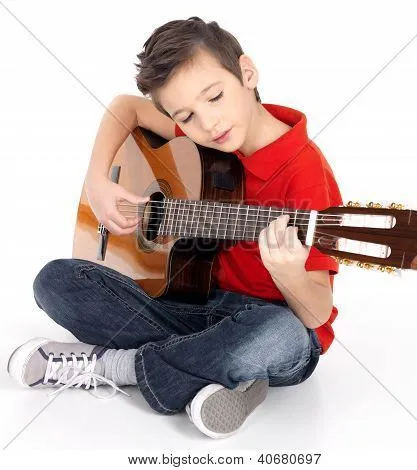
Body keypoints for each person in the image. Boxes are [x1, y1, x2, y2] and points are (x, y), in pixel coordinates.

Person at [7, 16, 343, 439]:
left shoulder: (307, 174)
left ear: (247, 74)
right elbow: (126, 107)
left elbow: (314, 315)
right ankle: (225, 376)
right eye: (186, 115)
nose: (207, 125)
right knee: (56, 280)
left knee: (279, 334)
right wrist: (98, 182)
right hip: (195, 306)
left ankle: (116, 366)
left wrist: (289, 273)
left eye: (215, 97)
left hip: (271, 323)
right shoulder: (207, 138)